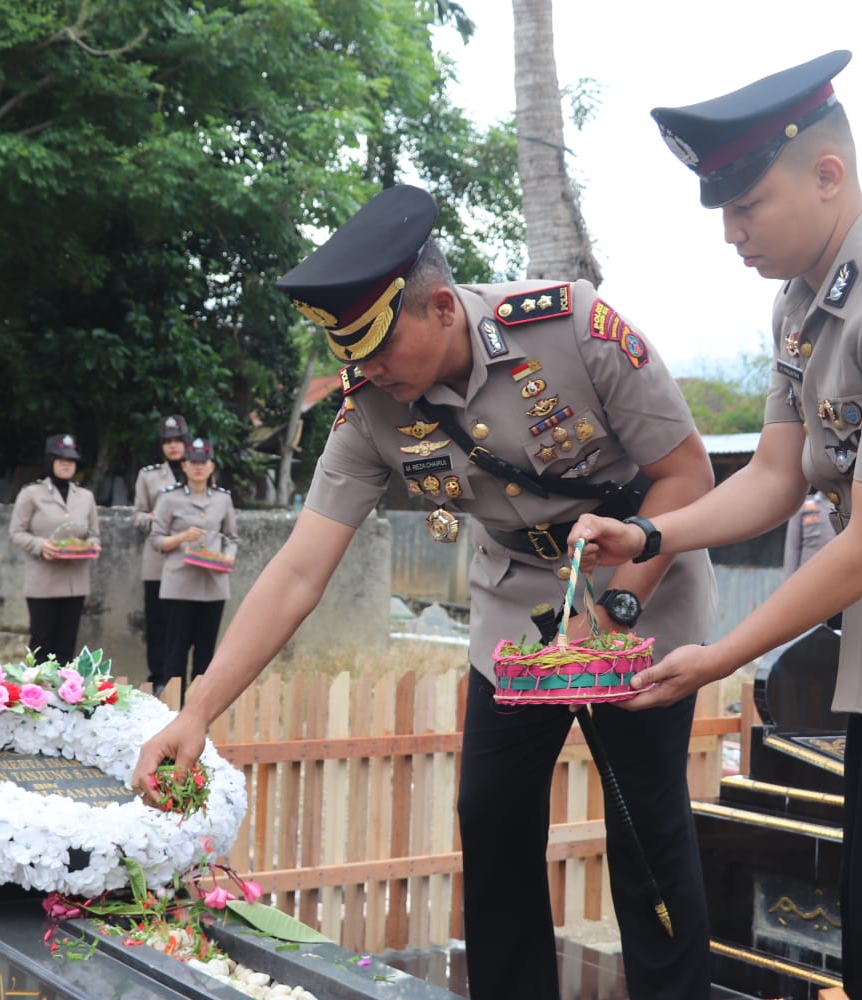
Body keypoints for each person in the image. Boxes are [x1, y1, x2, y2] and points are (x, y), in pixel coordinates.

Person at [133, 184, 719, 1000]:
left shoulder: (572, 328)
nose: (365, 373)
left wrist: (610, 608)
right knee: (490, 816)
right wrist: (196, 713)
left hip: (640, 593)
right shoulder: (371, 411)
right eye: (352, 358)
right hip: (516, 611)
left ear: (441, 307)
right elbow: (301, 567)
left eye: (377, 351)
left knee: (646, 825)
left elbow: (687, 475)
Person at [572, 51, 862, 999]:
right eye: (723, 212)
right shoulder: (803, 304)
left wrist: (717, 657)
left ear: (827, 176)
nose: (730, 235)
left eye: (746, 208)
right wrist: (656, 537)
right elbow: (776, 475)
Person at [149, 436, 238, 700]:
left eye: (204, 462)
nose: (199, 467)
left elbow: (232, 537)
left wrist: (228, 557)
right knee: (174, 653)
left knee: (206, 654)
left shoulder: (222, 499)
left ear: (212, 466)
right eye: (193, 462)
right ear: (184, 466)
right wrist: (180, 538)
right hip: (179, 585)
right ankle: (172, 710)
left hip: (213, 585)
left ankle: (199, 711)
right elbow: (156, 540)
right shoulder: (169, 499)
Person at [9, 433, 101, 666]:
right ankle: (37, 697)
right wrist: (40, 545)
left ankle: (64, 698)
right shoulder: (31, 494)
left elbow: (93, 533)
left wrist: (92, 544)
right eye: (60, 459)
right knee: (42, 643)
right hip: (43, 581)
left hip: (75, 581)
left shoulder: (86, 496)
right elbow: (16, 533)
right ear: (50, 461)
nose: (66, 464)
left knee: (67, 645)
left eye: (71, 460)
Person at [133, 415, 190, 686]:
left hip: (190, 562)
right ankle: (157, 680)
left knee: (182, 627)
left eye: (178, 440)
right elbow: (137, 517)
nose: (173, 446)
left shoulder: (199, 471)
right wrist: (157, 516)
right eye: (168, 441)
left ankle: (178, 681)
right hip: (157, 562)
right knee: (157, 625)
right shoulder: (149, 476)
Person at [783, 488, 837, 575]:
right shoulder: (803, 506)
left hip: (839, 576)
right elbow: (792, 548)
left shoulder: (848, 508)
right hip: (807, 576)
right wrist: (789, 580)